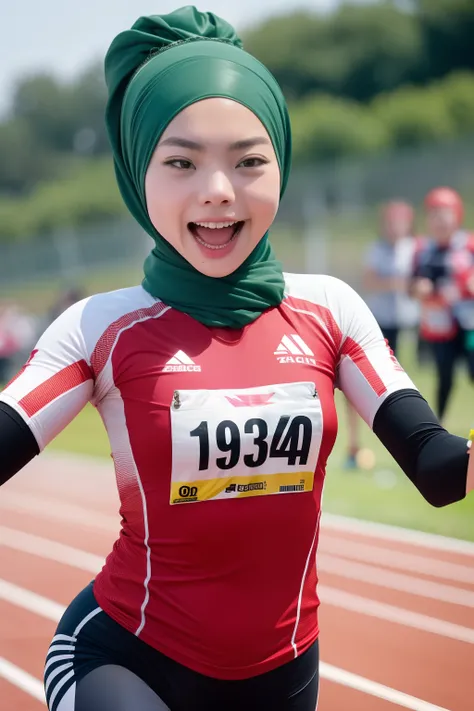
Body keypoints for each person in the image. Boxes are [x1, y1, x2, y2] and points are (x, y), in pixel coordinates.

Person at [0, 9, 473, 711]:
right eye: (181, 161)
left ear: (281, 162)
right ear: (138, 173)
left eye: (249, 160)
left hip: (284, 673)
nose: (219, 189)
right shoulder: (100, 326)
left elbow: (436, 466)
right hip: (126, 659)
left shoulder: (330, 310)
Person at [344, 200, 419, 469]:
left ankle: (411, 442)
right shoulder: (376, 250)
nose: (395, 227)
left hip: (410, 324)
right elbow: (370, 280)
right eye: (391, 222)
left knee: (407, 386)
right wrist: (398, 283)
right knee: (368, 385)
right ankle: (355, 444)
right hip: (380, 324)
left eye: (400, 222)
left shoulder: (415, 249)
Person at [411, 186, 474, 423]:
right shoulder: (423, 251)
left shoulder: (468, 245)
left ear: (456, 215)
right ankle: (441, 424)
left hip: (470, 324)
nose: (439, 221)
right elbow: (413, 286)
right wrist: (423, 290)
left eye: (444, 214)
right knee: (444, 374)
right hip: (440, 326)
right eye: (434, 215)